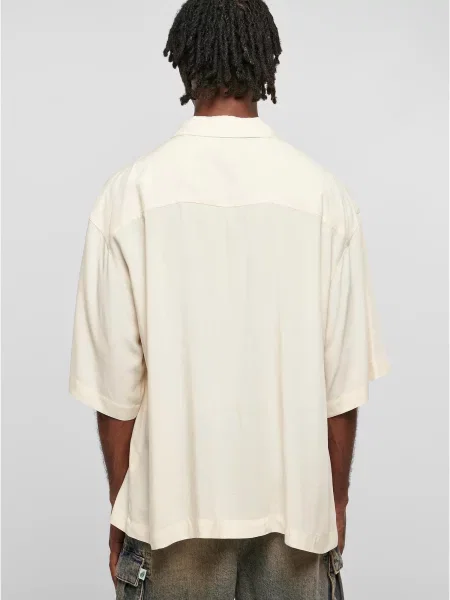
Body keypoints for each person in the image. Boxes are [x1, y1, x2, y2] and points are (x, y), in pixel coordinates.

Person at [69, 0, 389, 598]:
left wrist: (125, 506)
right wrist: (335, 503)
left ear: (184, 61)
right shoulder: (325, 200)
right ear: (265, 62)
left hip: (169, 520)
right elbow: (341, 387)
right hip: (296, 519)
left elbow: (116, 391)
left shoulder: (129, 197)